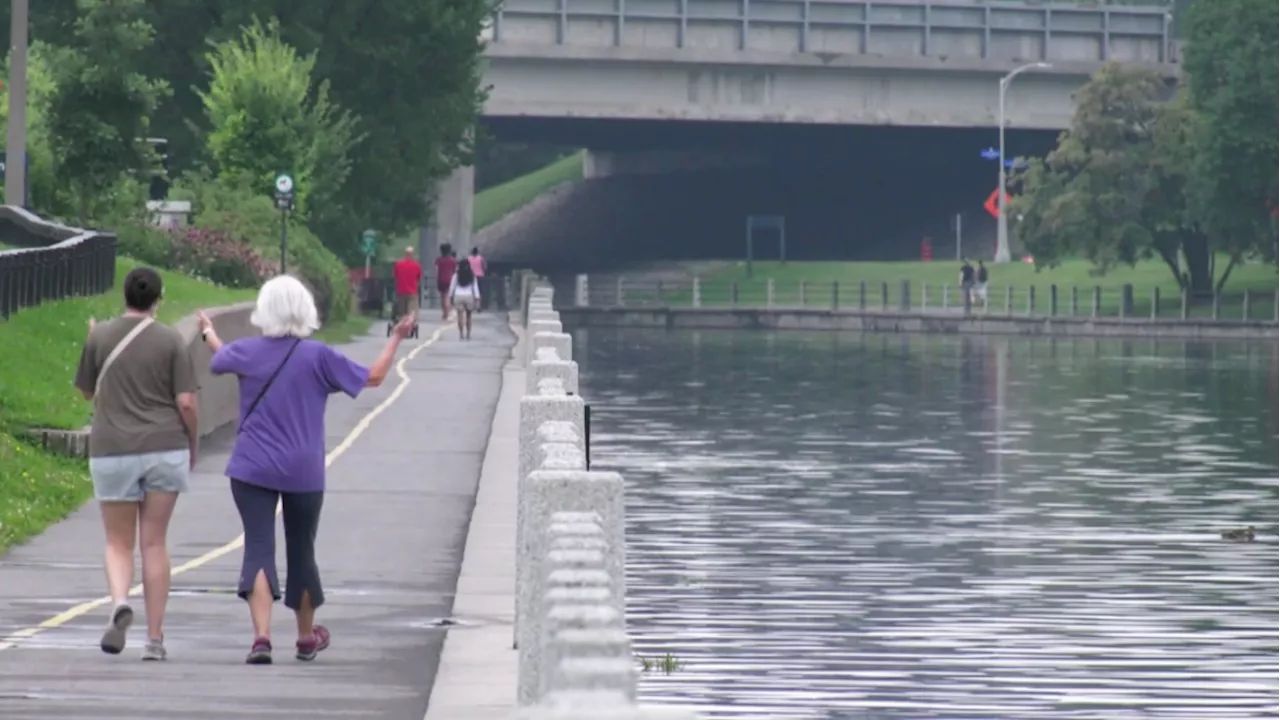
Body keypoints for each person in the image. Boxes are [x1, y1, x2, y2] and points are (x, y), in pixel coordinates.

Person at [195, 276, 414, 665]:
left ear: (264, 310)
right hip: (304, 470)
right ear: (306, 310)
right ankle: (305, 637)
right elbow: (374, 377)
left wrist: (209, 333)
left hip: (252, 467)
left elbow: (221, 357)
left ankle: (261, 638)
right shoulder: (319, 357)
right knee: (302, 551)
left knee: (258, 547)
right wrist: (395, 337)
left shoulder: (247, 351)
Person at [74, 267, 198, 661]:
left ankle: (118, 604)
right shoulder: (171, 340)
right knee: (154, 542)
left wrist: (92, 340)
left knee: (117, 541)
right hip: (164, 446)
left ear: (125, 296)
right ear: (157, 300)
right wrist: (191, 441)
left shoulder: (100, 336)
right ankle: (155, 640)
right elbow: (186, 402)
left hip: (112, 449)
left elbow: (86, 391)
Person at [450, 258, 481, 340]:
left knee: (460, 315)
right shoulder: (472, 275)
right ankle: (468, 334)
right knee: (469, 316)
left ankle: (461, 334)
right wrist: (477, 299)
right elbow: (475, 288)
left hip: (458, 295)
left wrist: (450, 297)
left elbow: (452, 287)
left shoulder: (456, 275)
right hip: (469, 296)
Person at [392, 247, 422, 328]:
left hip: (401, 290)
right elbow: (418, 278)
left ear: (405, 254)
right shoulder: (416, 265)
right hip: (412, 291)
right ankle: (410, 326)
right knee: (412, 310)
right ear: (412, 254)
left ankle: (401, 325)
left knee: (401, 311)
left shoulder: (398, 264)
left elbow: (395, 276)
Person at [434, 243, 457, 321]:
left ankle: (444, 313)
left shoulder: (438, 259)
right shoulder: (452, 260)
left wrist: (437, 278)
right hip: (449, 280)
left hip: (440, 279)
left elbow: (436, 270)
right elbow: (454, 271)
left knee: (442, 297)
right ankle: (447, 314)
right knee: (448, 297)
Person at [468, 247, 487, 311]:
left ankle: (473, 306)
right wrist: (483, 272)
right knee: (479, 291)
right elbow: (484, 267)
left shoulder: (469, 259)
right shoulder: (481, 258)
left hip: (471, 276)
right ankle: (479, 306)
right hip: (480, 276)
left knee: (472, 291)